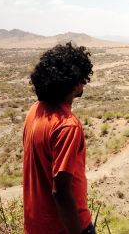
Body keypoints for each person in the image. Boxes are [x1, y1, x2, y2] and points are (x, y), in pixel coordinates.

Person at [23, 42, 95, 234]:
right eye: (82, 78)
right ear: (74, 84)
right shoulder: (67, 125)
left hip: (36, 225)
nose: (84, 83)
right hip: (65, 227)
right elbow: (61, 191)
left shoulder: (35, 111)